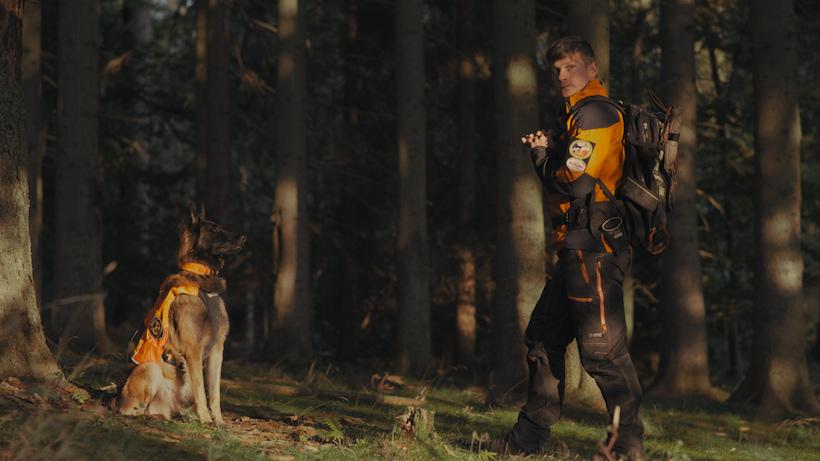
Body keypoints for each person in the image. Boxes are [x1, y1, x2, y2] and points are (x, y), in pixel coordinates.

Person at [498, 36, 644, 460]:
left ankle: (626, 448)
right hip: (577, 247)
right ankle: (525, 444)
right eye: (557, 69)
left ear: (592, 69)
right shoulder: (578, 114)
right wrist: (550, 151)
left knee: (602, 352)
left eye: (571, 67)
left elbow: (575, 181)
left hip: (595, 249)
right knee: (543, 340)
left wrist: (542, 157)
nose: (562, 75)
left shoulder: (596, 113)